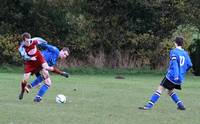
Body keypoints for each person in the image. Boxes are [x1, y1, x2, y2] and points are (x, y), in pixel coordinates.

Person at [139, 36, 192, 110]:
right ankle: (180, 105)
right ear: (182, 44)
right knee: (170, 91)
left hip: (172, 76)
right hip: (179, 78)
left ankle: (149, 106)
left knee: (160, 89)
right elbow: (190, 65)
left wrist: (176, 74)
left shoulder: (173, 52)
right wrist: (182, 72)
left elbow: (175, 64)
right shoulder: (185, 53)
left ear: (175, 43)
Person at [18, 32, 67, 101]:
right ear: (23, 41)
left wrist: (44, 42)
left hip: (39, 59)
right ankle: (23, 90)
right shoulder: (21, 48)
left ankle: (36, 95)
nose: (28, 42)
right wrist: (29, 58)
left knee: (46, 76)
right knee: (25, 80)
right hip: (30, 62)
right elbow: (23, 56)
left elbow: (40, 40)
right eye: (26, 41)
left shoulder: (33, 41)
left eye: (29, 40)